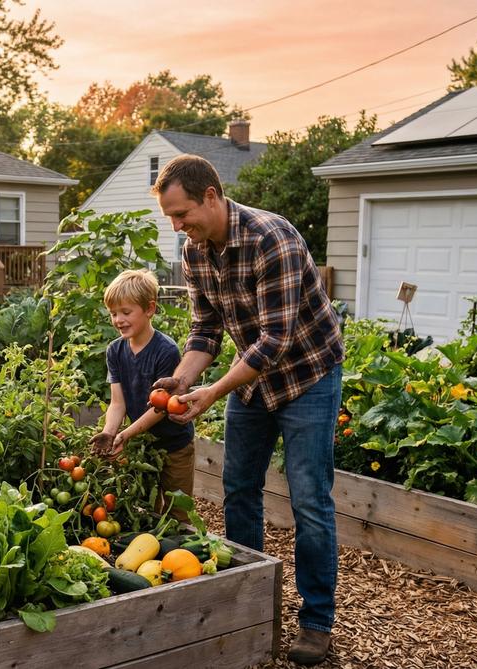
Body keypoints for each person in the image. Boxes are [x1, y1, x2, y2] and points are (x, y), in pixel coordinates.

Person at [150, 155, 344, 666]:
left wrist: (212, 392)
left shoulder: (270, 238)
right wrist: (184, 379)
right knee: (238, 489)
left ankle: (317, 621)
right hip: (252, 382)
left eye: (182, 212)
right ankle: (249, 602)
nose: (177, 226)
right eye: (170, 217)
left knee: (308, 499)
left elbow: (275, 341)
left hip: (308, 375)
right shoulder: (196, 251)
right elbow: (205, 331)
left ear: (211, 196)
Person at [89, 269, 194, 516]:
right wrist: (109, 432)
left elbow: (161, 408)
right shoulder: (114, 351)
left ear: (149, 309)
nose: (118, 320)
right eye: (113, 313)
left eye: (126, 312)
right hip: (141, 447)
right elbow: (117, 402)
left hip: (173, 445)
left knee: (176, 513)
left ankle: (178, 552)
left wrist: (125, 435)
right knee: (143, 509)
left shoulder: (165, 350)